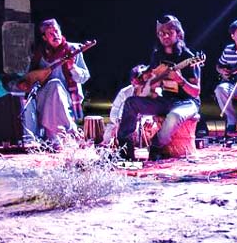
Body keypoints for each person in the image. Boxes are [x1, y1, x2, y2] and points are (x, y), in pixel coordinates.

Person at [116, 15, 201, 161]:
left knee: (174, 116)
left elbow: (196, 91)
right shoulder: (157, 55)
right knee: (131, 103)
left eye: (169, 32)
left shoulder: (188, 58)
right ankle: (125, 149)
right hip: (166, 100)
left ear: (178, 34)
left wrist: (181, 81)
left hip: (187, 103)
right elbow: (150, 74)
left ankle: (156, 145)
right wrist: (142, 79)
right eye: (161, 33)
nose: (165, 36)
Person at [22, 18, 91, 148]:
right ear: (44, 38)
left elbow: (84, 77)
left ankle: (57, 136)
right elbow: (29, 77)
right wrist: (25, 84)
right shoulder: (40, 54)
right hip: (44, 96)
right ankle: (60, 134)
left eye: (57, 31)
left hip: (68, 97)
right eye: (51, 33)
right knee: (45, 91)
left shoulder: (73, 49)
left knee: (56, 87)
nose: (55, 35)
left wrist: (72, 67)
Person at [102, 64, 148, 145]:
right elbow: (114, 113)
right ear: (132, 82)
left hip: (145, 126)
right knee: (108, 135)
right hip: (126, 124)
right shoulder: (124, 92)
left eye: (142, 82)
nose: (139, 85)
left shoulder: (153, 91)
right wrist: (118, 122)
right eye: (136, 82)